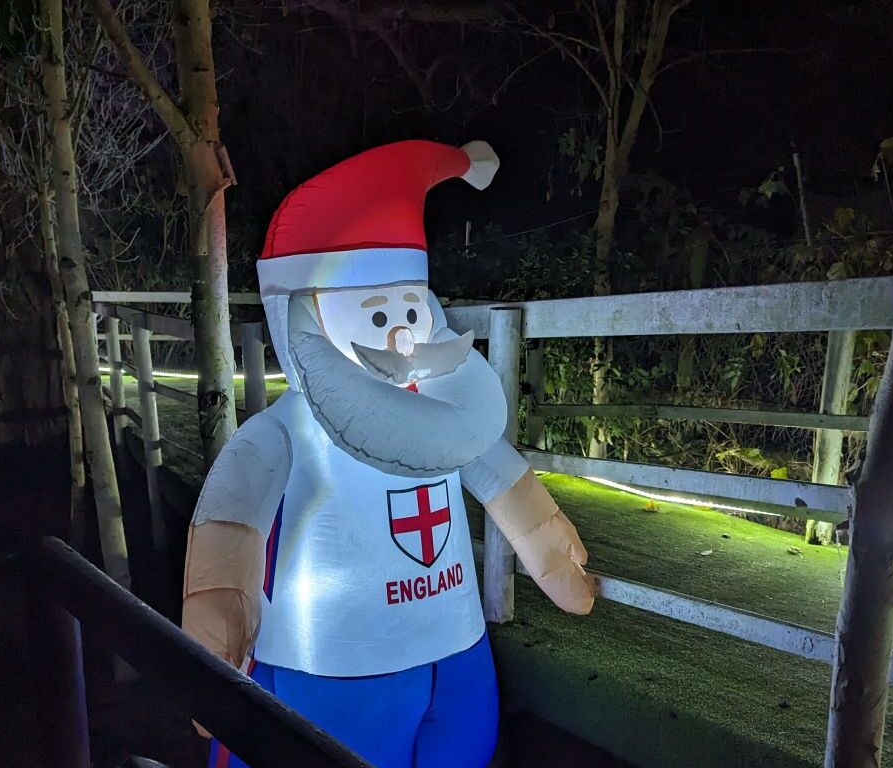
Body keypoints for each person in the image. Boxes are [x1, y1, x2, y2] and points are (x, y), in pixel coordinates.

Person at [182, 139, 594, 768]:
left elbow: (505, 483)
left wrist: (547, 544)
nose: (403, 335)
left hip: (456, 654)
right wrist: (218, 616)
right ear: (303, 316)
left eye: (410, 309)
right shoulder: (286, 431)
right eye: (377, 317)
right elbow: (230, 522)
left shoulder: (440, 417)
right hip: (335, 667)